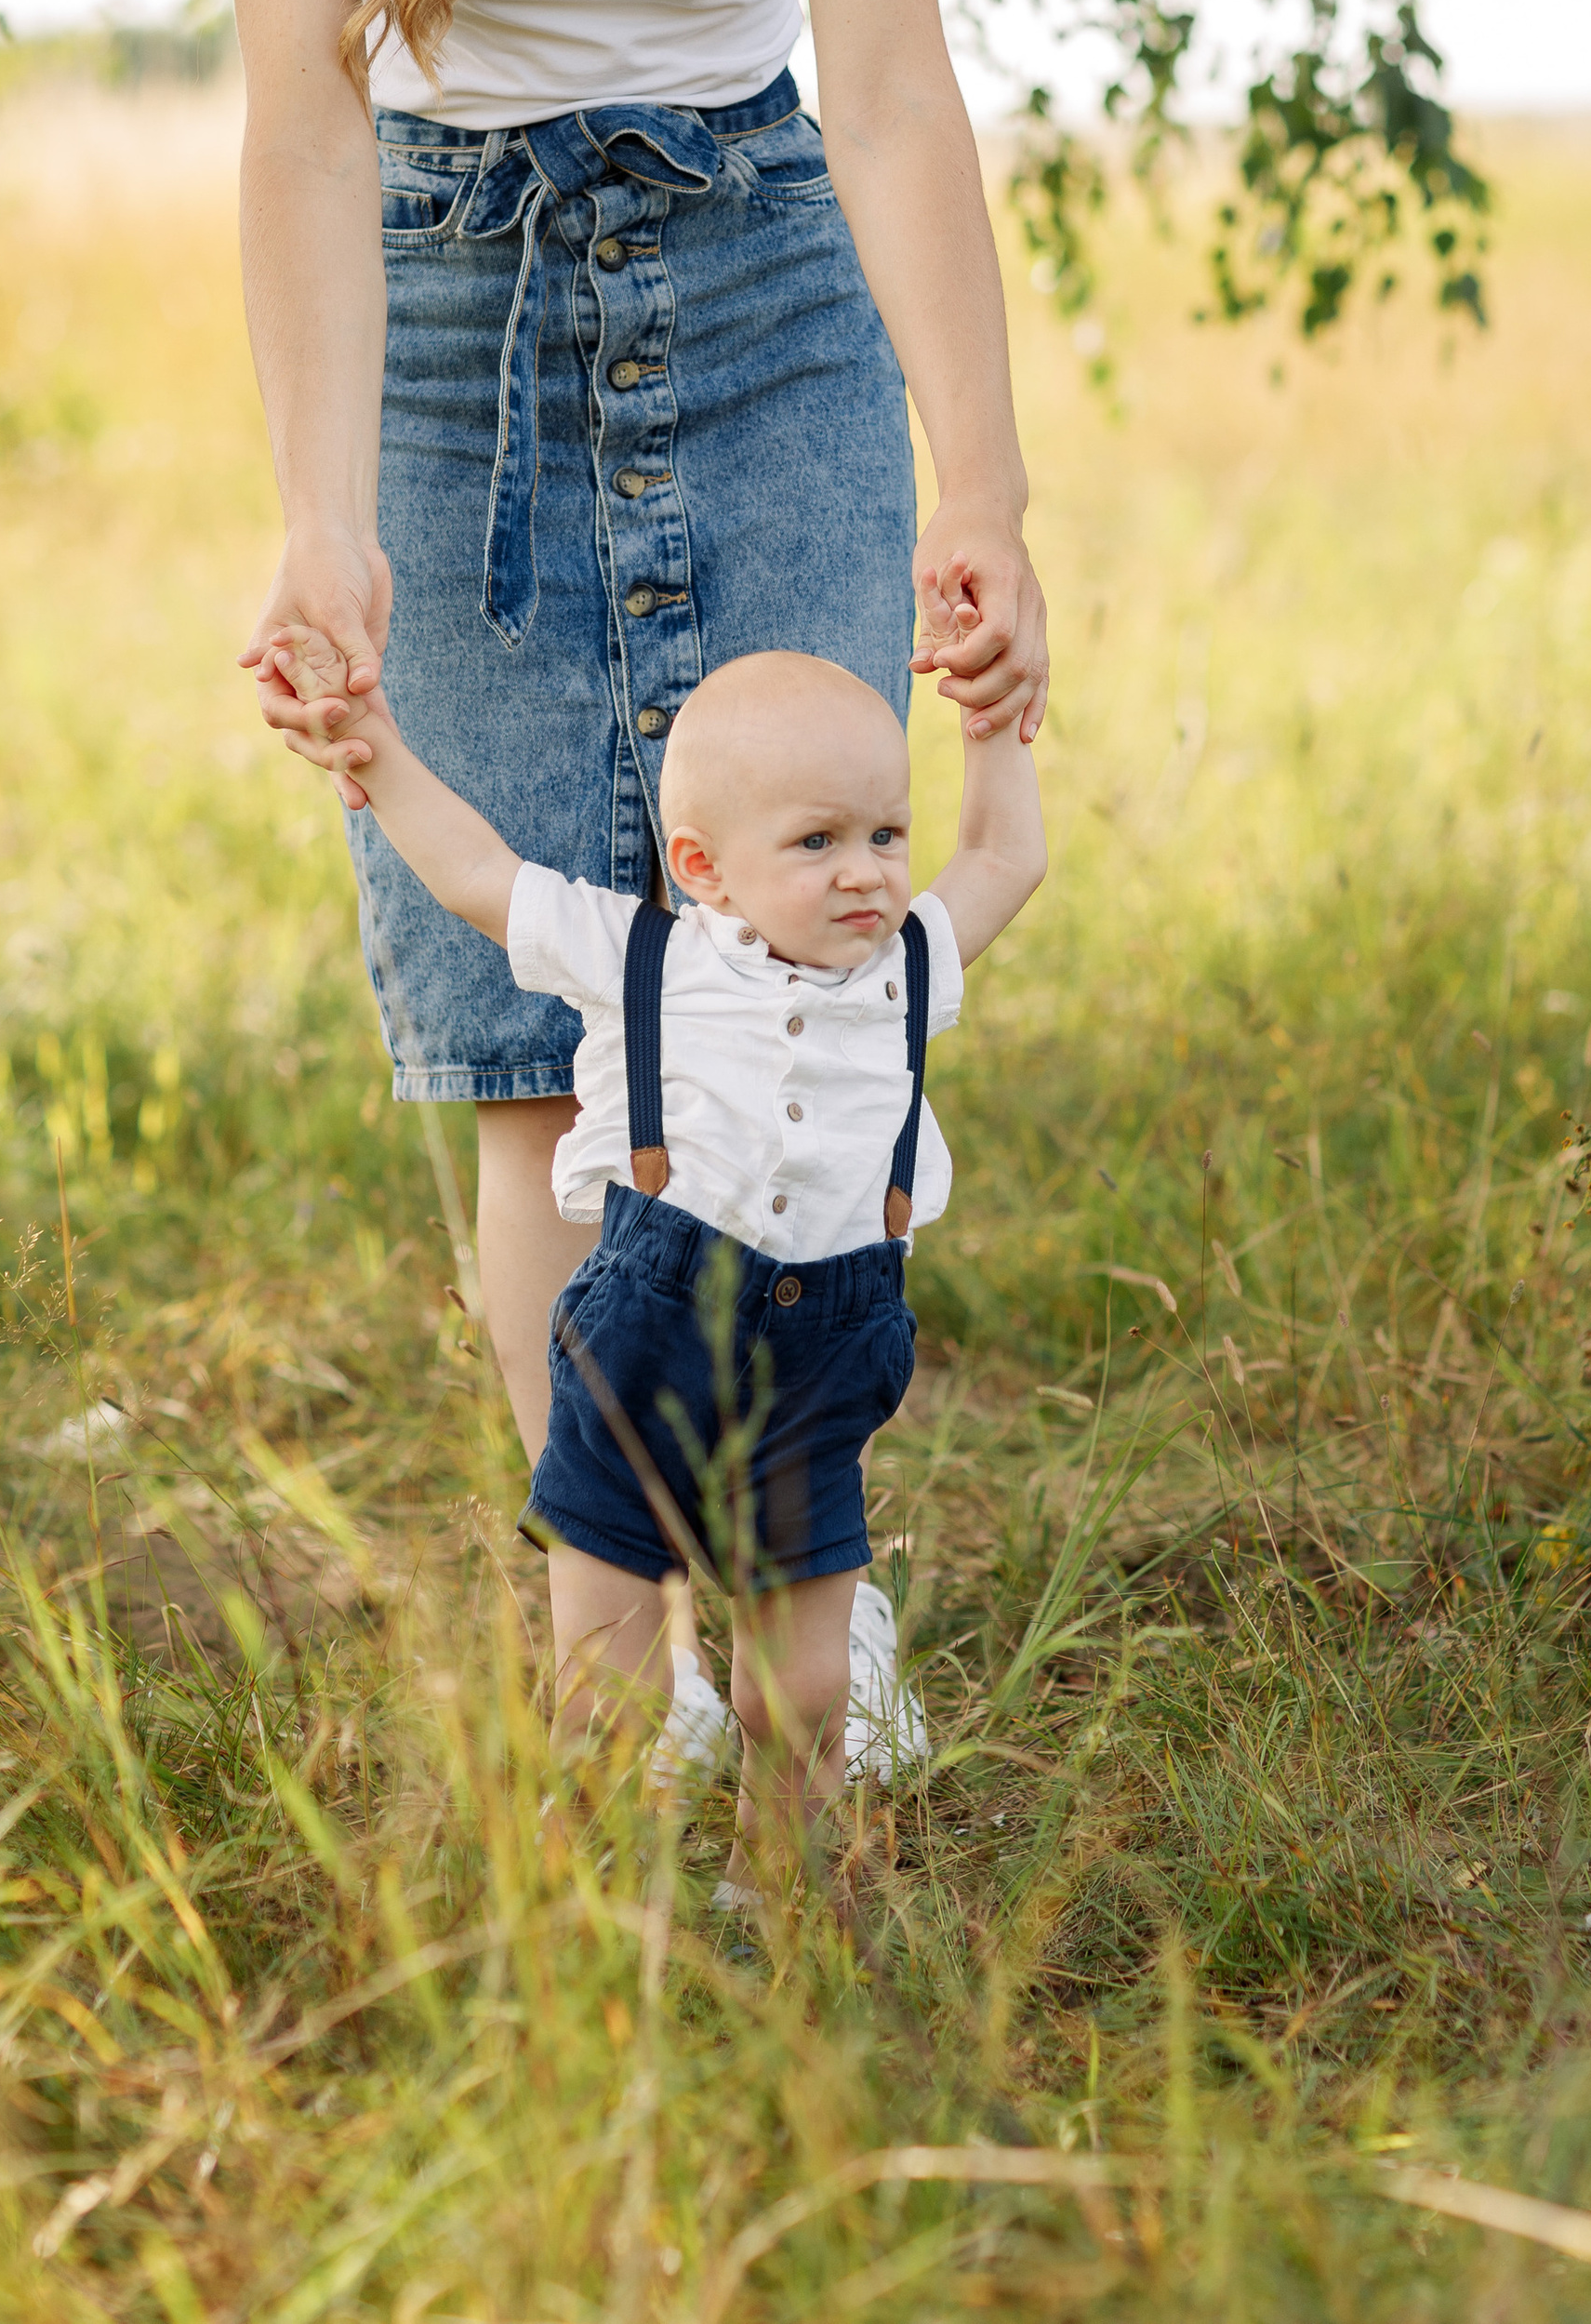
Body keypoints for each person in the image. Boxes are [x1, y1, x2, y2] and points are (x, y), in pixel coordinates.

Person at [198, 0, 1049, 1768]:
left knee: (792, 935)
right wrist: (322, 511)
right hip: (451, 315)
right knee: (529, 1041)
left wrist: (984, 483)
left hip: (769, 274)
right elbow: (305, 119)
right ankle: (633, 1628)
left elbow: (895, 84)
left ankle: (808, 1574)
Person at [261, 625, 1046, 1898]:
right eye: (817, 842)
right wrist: (377, 752)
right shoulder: (646, 959)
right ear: (704, 869)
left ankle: (772, 1896)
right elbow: (475, 871)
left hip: (819, 1361)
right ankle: (596, 1909)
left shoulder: (909, 967)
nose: (866, 874)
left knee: (797, 1685)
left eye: (887, 837)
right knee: (611, 1686)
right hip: (646, 1347)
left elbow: (1008, 854)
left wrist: (996, 719)